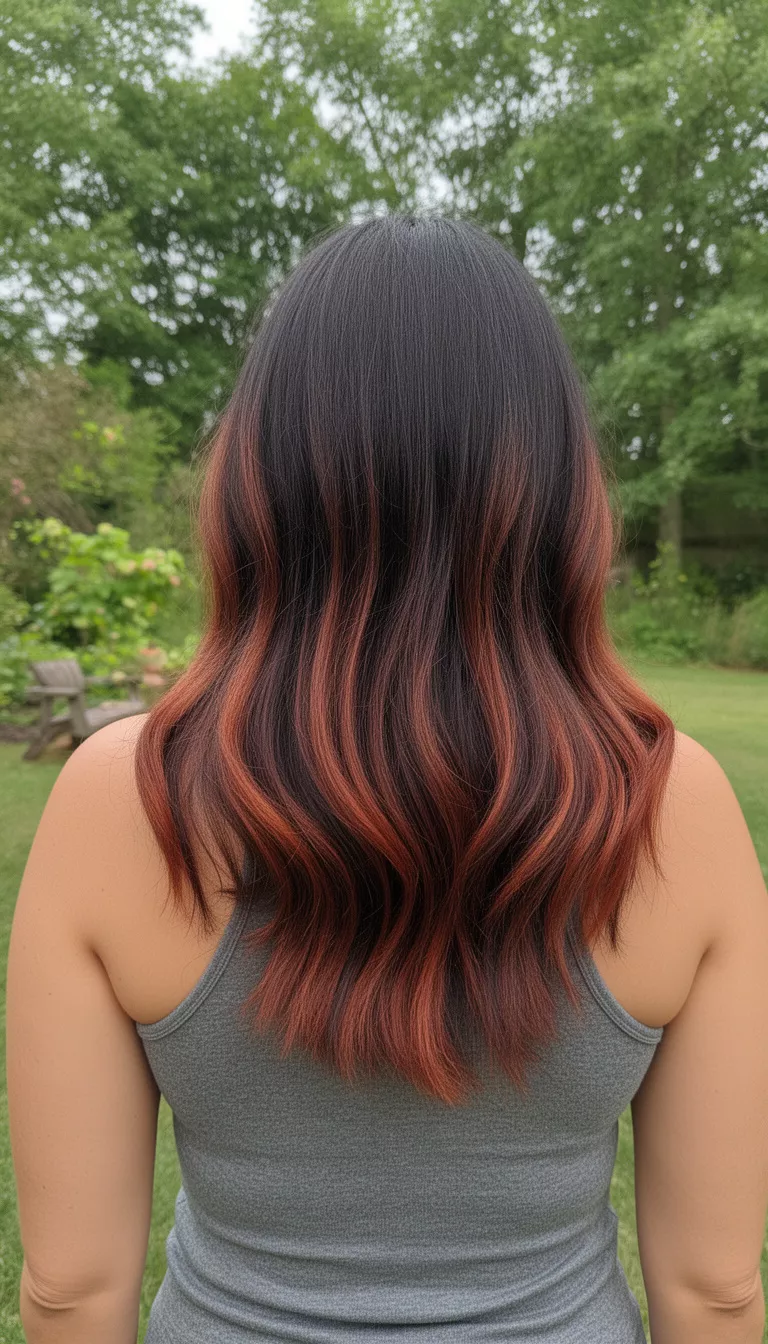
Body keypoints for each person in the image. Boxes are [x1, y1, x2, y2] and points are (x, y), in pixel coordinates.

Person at [7, 212, 768, 1344]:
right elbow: (715, 1289)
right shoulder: (674, 806)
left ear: (260, 478)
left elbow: (71, 1287)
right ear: (558, 489)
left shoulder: (123, 800)